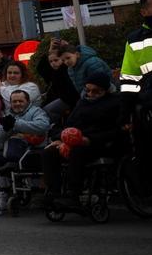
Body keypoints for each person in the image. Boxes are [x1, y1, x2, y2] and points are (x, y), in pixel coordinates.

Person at [42, 70, 123, 206]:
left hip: (100, 143)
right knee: (49, 152)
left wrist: (89, 139)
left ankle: (74, 194)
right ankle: (54, 192)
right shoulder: (82, 102)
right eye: (88, 90)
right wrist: (60, 138)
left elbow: (115, 130)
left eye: (96, 91)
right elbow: (69, 124)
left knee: (77, 151)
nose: (90, 94)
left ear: (105, 90)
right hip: (75, 139)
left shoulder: (114, 103)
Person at [0, 90, 49, 217]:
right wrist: (6, 129)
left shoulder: (37, 112)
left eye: (21, 101)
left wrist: (16, 124)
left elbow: (43, 126)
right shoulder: (7, 115)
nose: (17, 104)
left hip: (31, 152)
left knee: (15, 143)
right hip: (9, 152)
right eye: (14, 101)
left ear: (28, 102)